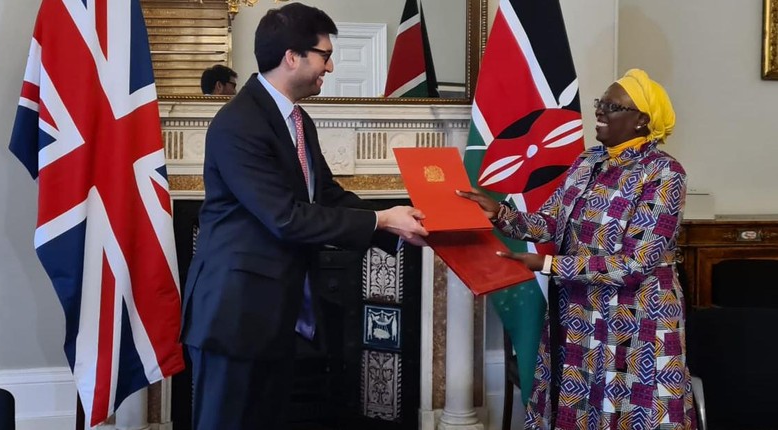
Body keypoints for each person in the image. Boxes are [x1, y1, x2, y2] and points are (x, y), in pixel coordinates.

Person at [180, 3, 428, 429]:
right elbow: (286, 218)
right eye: (324, 55)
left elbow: (326, 197)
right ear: (292, 56)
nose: (329, 67)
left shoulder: (298, 120)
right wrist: (383, 221)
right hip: (235, 316)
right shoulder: (238, 123)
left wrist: (404, 223)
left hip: (278, 313)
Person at [459, 69, 696, 429]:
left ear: (641, 121)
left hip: (638, 319)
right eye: (600, 103)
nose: (599, 111)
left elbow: (636, 263)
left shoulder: (664, 173)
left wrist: (550, 264)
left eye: (612, 106)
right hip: (581, 314)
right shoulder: (588, 161)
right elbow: (549, 221)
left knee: (632, 411)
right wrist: (501, 215)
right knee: (582, 406)